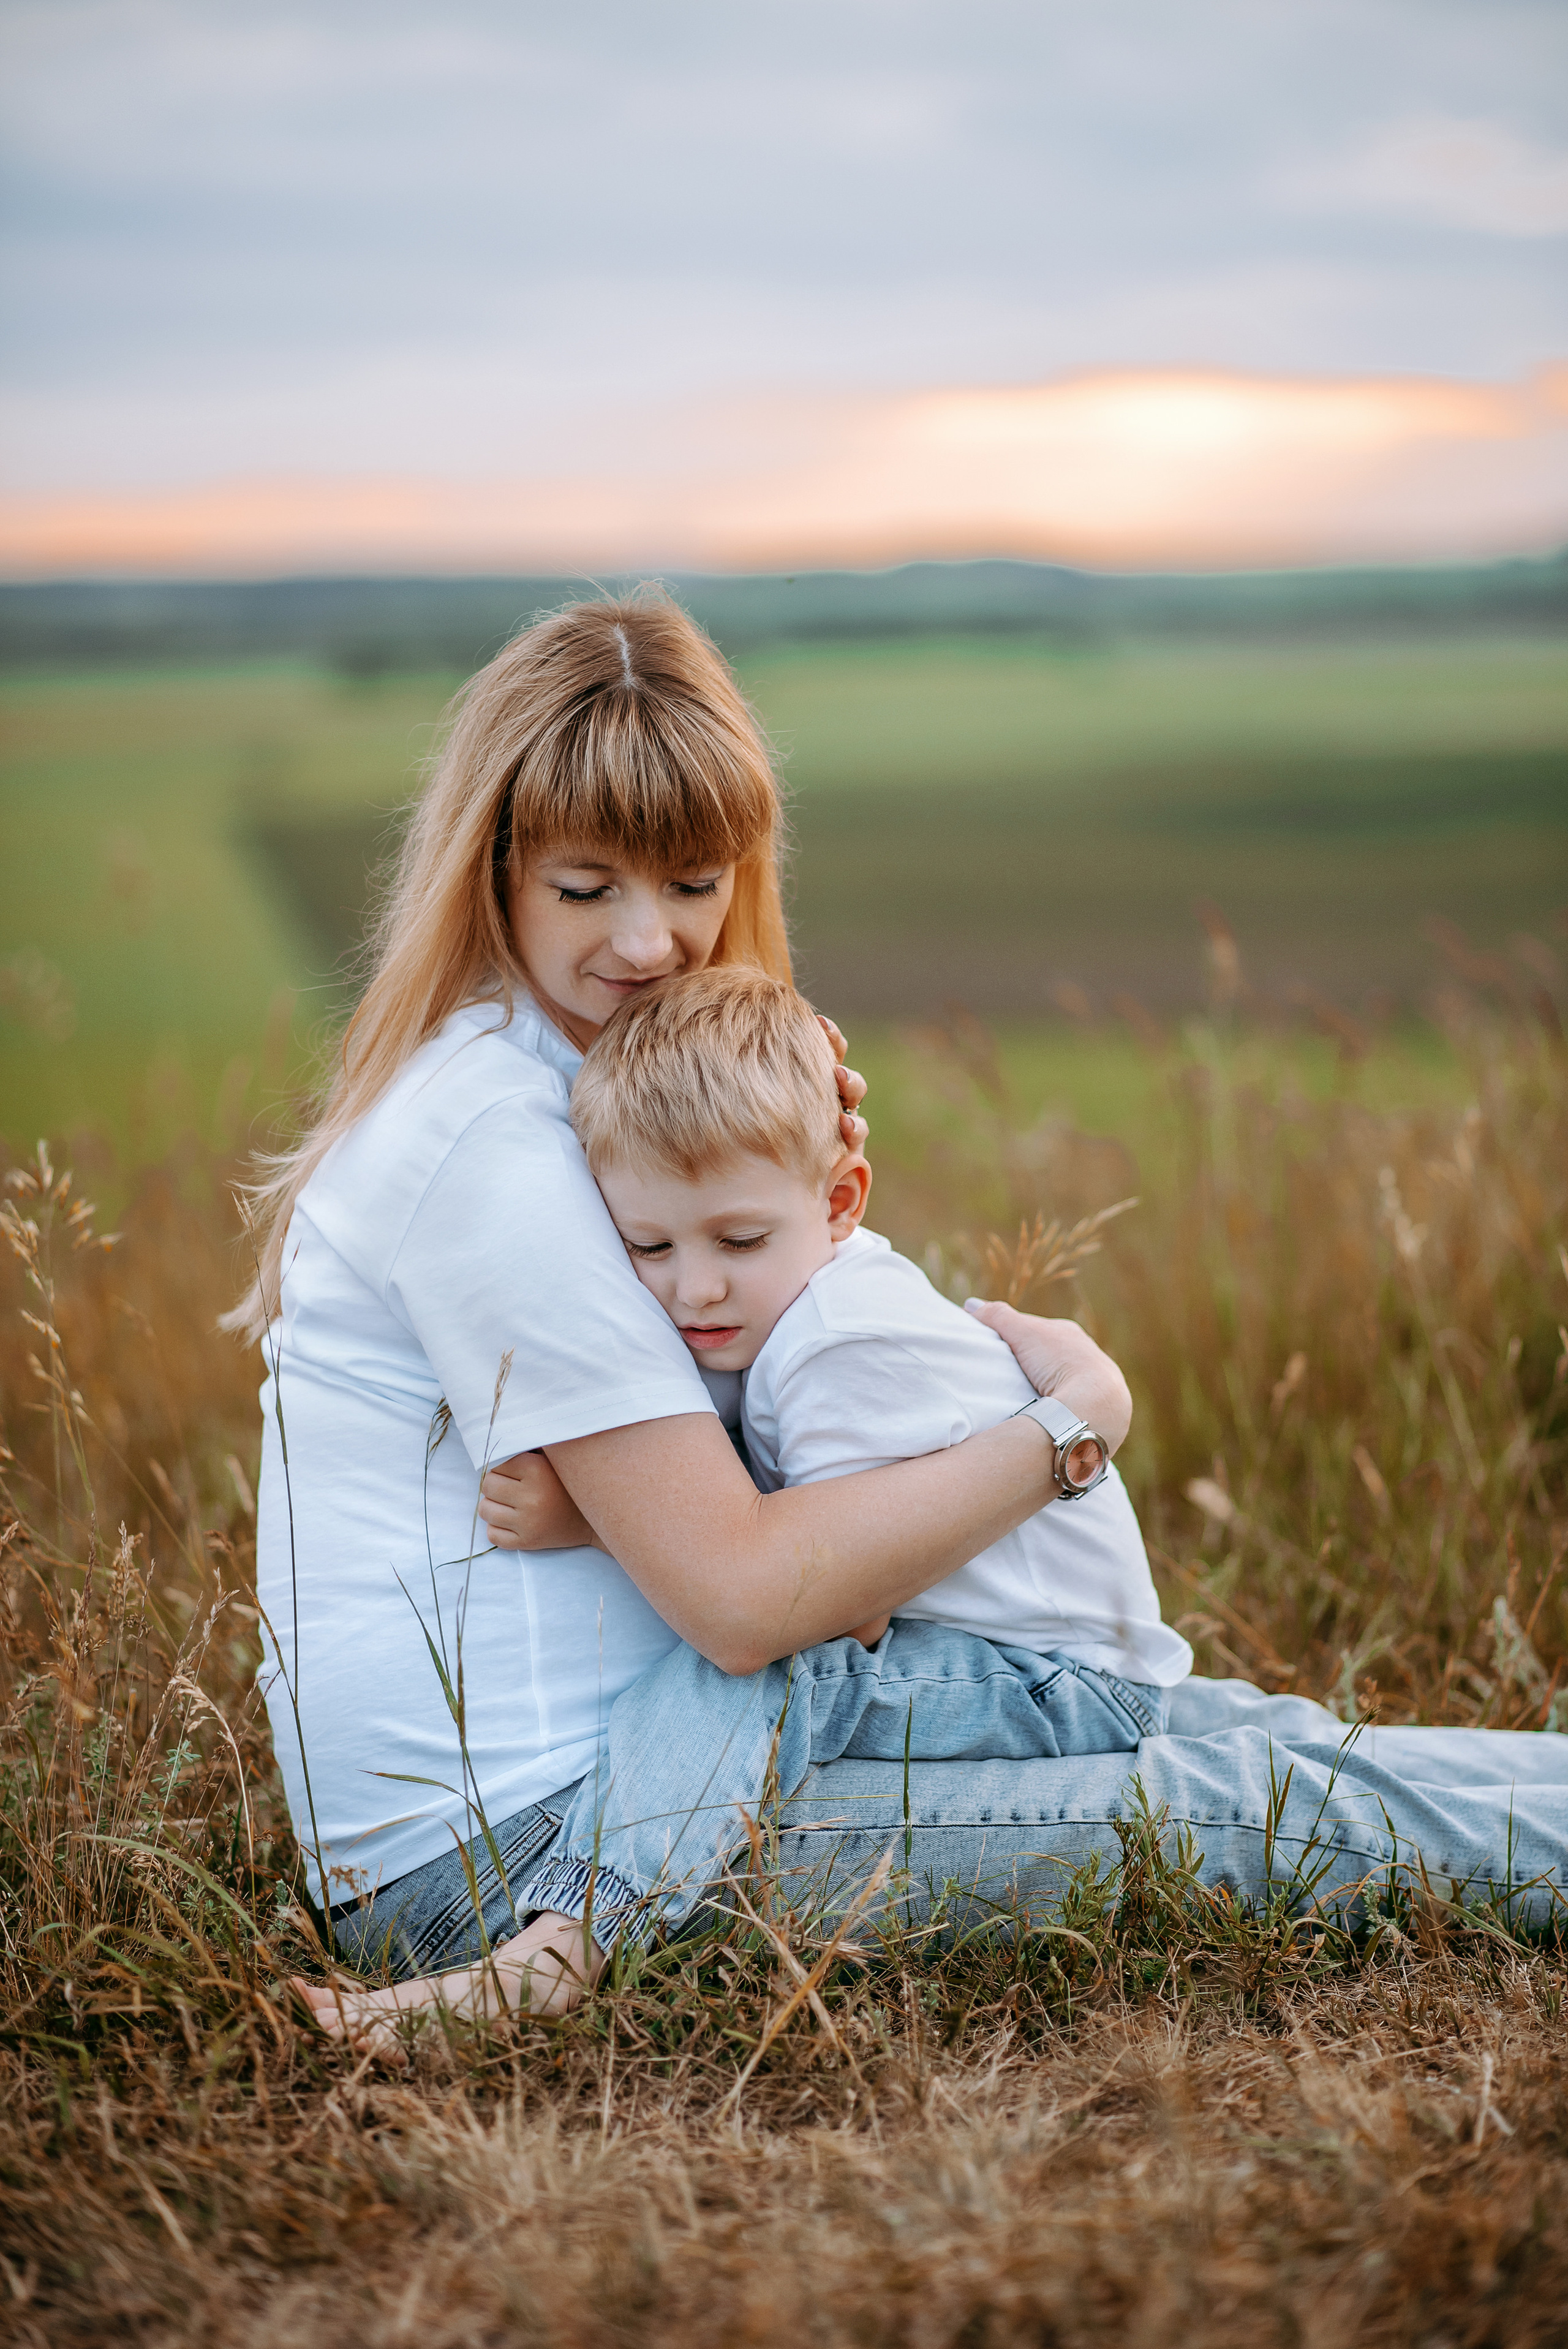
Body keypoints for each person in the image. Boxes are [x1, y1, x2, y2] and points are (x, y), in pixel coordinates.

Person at [251, 591, 1124, 2034]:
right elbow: (747, 1600)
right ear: (493, 870)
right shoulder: (492, 1136)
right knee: (1279, 1807)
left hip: (620, 1776)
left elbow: (790, 1418)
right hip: (513, 1848)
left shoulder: (591, 1090)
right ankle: (550, 1966)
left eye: (693, 883)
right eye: (586, 889)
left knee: (1258, 1750)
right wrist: (1071, 1427)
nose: (650, 941)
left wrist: (782, 1182)